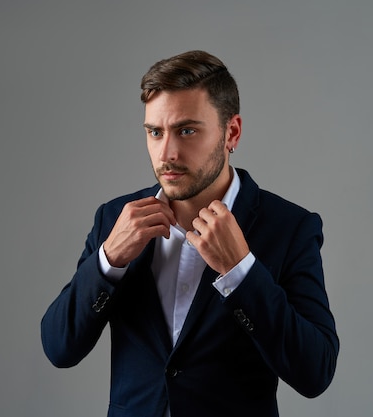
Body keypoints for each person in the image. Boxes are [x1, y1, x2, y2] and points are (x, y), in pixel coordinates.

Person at [41, 50, 339, 417]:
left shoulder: (289, 227)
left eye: (187, 131)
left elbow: (315, 372)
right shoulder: (114, 219)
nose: (167, 153)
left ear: (232, 132)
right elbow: (58, 348)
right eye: (155, 132)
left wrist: (241, 271)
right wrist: (108, 261)